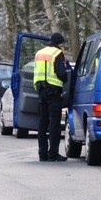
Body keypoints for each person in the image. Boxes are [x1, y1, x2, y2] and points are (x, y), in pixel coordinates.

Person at [33, 32, 68, 162]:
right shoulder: (58, 53)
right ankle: (53, 154)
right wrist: (66, 78)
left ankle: (42, 153)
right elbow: (61, 73)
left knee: (43, 123)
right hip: (54, 91)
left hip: (41, 90)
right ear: (59, 43)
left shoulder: (39, 53)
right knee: (54, 123)